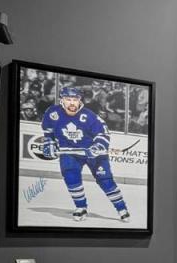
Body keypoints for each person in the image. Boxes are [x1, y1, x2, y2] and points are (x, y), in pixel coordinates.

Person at [40, 84, 130, 223]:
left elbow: (103, 133)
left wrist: (98, 146)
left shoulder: (88, 116)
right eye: (68, 99)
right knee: (71, 177)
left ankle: (121, 208)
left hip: (94, 153)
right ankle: (81, 207)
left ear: (80, 100)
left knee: (105, 181)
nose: (72, 103)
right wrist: (49, 142)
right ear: (61, 100)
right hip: (70, 152)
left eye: (75, 99)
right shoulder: (52, 114)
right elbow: (48, 132)